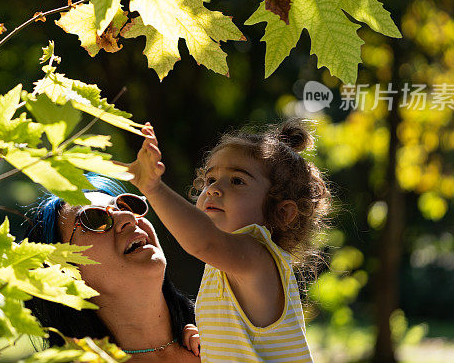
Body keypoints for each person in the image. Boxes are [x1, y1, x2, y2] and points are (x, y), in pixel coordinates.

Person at [127, 118, 331, 363]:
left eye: (237, 181)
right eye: (210, 180)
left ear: (281, 212)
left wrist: (153, 188)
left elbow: (203, 241)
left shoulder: (259, 256)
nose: (214, 189)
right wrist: (211, 340)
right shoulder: (227, 264)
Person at [24, 173, 201, 361]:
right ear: (62, 272)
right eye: (94, 219)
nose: (128, 217)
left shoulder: (225, 322)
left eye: (128, 206)